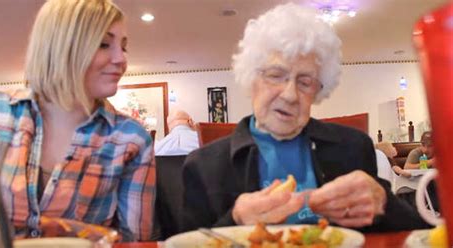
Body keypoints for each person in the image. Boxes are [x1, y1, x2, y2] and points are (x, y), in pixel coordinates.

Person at [181, 3, 428, 233]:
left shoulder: (353, 147)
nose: (290, 95)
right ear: (252, 79)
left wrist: (383, 202)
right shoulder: (203, 166)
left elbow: (418, 235)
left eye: (305, 81)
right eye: (276, 75)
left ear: (319, 90)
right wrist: (234, 220)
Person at [0, 0, 155, 241]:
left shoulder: (131, 139)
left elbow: (133, 241)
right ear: (60, 47)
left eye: (124, 47)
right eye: (104, 44)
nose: (121, 59)